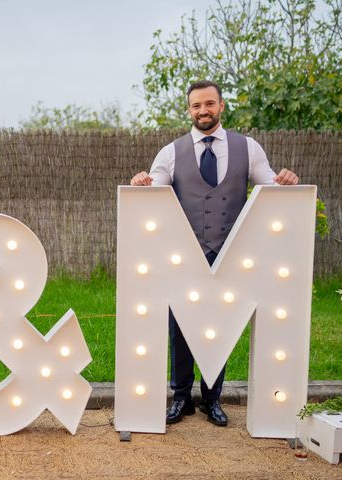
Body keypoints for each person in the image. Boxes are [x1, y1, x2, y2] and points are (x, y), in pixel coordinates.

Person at [130, 80, 299, 427]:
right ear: (189, 110)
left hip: (230, 253)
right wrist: (141, 183)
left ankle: (212, 399)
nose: (203, 111)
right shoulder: (170, 152)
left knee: (218, 325)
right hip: (184, 251)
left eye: (209, 104)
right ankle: (180, 398)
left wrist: (284, 180)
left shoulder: (248, 148)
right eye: (196, 106)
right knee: (179, 325)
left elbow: (269, 185)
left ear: (221, 106)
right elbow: (154, 187)